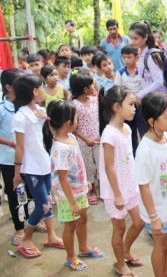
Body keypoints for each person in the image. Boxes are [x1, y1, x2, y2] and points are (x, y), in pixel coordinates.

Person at [44, 100, 104, 271]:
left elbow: (75, 166)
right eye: (76, 118)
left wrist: (84, 182)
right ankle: (71, 256)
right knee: (70, 225)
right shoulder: (60, 148)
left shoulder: (70, 137)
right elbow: (63, 179)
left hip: (78, 190)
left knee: (83, 218)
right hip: (67, 196)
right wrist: (72, 202)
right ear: (69, 123)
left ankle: (84, 248)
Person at [135, 93, 167, 277]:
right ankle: (161, 272)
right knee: (162, 244)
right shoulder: (145, 150)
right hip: (156, 209)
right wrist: (153, 217)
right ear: (152, 121)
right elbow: (143, 186)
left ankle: (165, 269)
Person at [12, 74, 64, 258]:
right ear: (34, 91)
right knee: (42, 205)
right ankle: (26, 238)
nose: (43, 90)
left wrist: (46, 118)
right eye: (41, 86)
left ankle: (52, 235)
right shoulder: (20, 117)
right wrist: (17, 173)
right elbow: (19, 147)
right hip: (31, 167)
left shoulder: (38, 110)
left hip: (43, 163)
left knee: (47, 200)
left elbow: (45, 135)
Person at [99, 86, 144, 276]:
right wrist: (117, 194)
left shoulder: (126, 128)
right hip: (115, 190)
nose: (134, 109)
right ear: (117, 107)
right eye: (131, 104)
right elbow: (109, 167)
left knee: (139, 222)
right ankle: (120, 264)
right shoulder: (109, 134)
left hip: (130, 185)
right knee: (120, 227)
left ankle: (125, 250)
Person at [0, 69, 28, 247]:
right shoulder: (2, 109)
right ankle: (19, 227)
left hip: (28, 157)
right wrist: (11, 143)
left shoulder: (25, 105)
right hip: (9, 159)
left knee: (31, 191)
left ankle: (33, 220)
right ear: (9, 87)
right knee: (14, 193)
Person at [130, 21, 166, 136]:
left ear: (145, 37)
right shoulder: (142, 53)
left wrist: (140, 95)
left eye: (135, 38)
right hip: (150, 101)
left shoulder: (150, 55)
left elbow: (159, 81)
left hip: (157, 103)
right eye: (131, 38)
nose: (132, 41)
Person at [70, 69, 100, 205]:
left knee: (101, 165)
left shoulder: (95, 101)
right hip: (84, 142)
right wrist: (85, 139)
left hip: (98, 140)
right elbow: (74, 128)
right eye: (92, 84)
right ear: (85, 89)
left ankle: (102, 189)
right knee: (87, 166)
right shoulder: (75, 105)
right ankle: (91, 190)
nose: (95, 86)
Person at [114, 45, 143, 152]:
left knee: (143, 131)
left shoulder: (141, 71)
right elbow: (118, 89)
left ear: (137, 57)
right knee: (130, 134)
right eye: (124, 57)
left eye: (129, 57)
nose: (126, 60)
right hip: (126, 106)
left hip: (140, 105)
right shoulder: (120, 72)